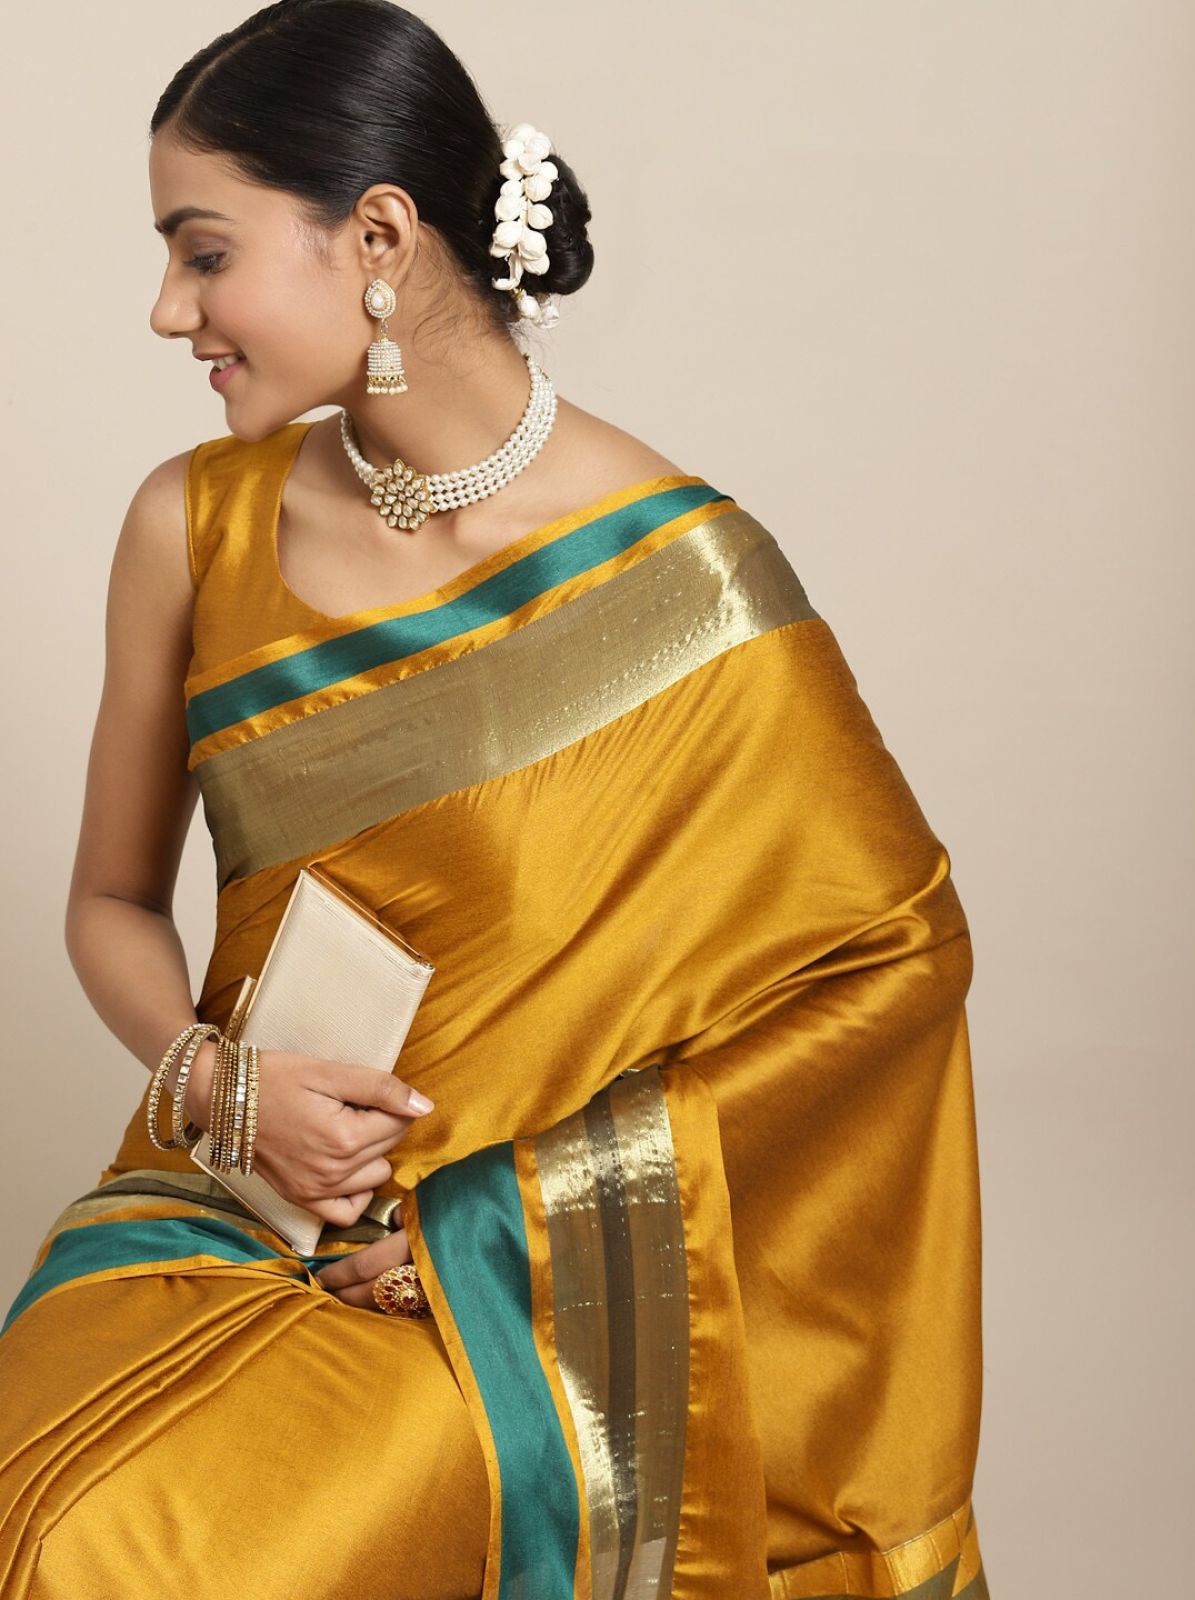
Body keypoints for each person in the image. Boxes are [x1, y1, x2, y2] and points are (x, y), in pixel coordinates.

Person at [0, 3, 992, 1597]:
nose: (169, 310)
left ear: (378, 238)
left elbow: (888, 971)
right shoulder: (189, 525)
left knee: (121, 1564)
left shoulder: (687, 586)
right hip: (216, 1206)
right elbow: (112, 903)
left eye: (205, 254)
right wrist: (216, 1086)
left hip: (489, 1299)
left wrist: (504, 1228)